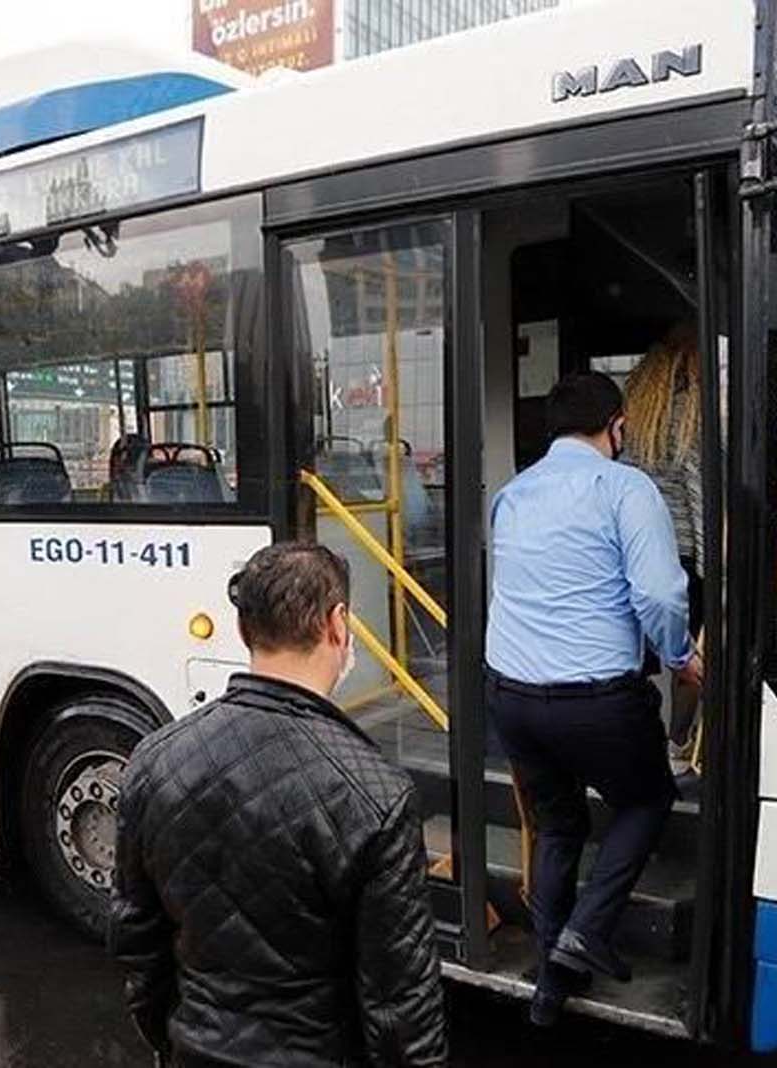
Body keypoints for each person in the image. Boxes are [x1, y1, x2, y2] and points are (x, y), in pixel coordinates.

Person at [113, 542, 447, 1068]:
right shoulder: (377, 793)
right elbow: (400, 1003)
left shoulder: (154, 760)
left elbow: (138, 942)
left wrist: (174, 1039)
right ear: (339, 625)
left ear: (246, 631)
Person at [486, 371, 701, 1027]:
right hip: (598, 700)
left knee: (559, 825)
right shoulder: (626, 488)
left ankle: (553, 980)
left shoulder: (513, 494)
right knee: (647, 799)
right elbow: (661, 595)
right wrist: (681, 657)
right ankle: (584, 933)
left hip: (512, 697)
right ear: (616, 427)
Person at [621, 326, 707, 760]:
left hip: (636, 548)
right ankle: (677, 746)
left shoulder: (637, 416)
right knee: (686, 657)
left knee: (637, 650)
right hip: (682, 552)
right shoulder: (687, 414)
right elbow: (697, 493)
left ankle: (636, 738)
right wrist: (716, 572)